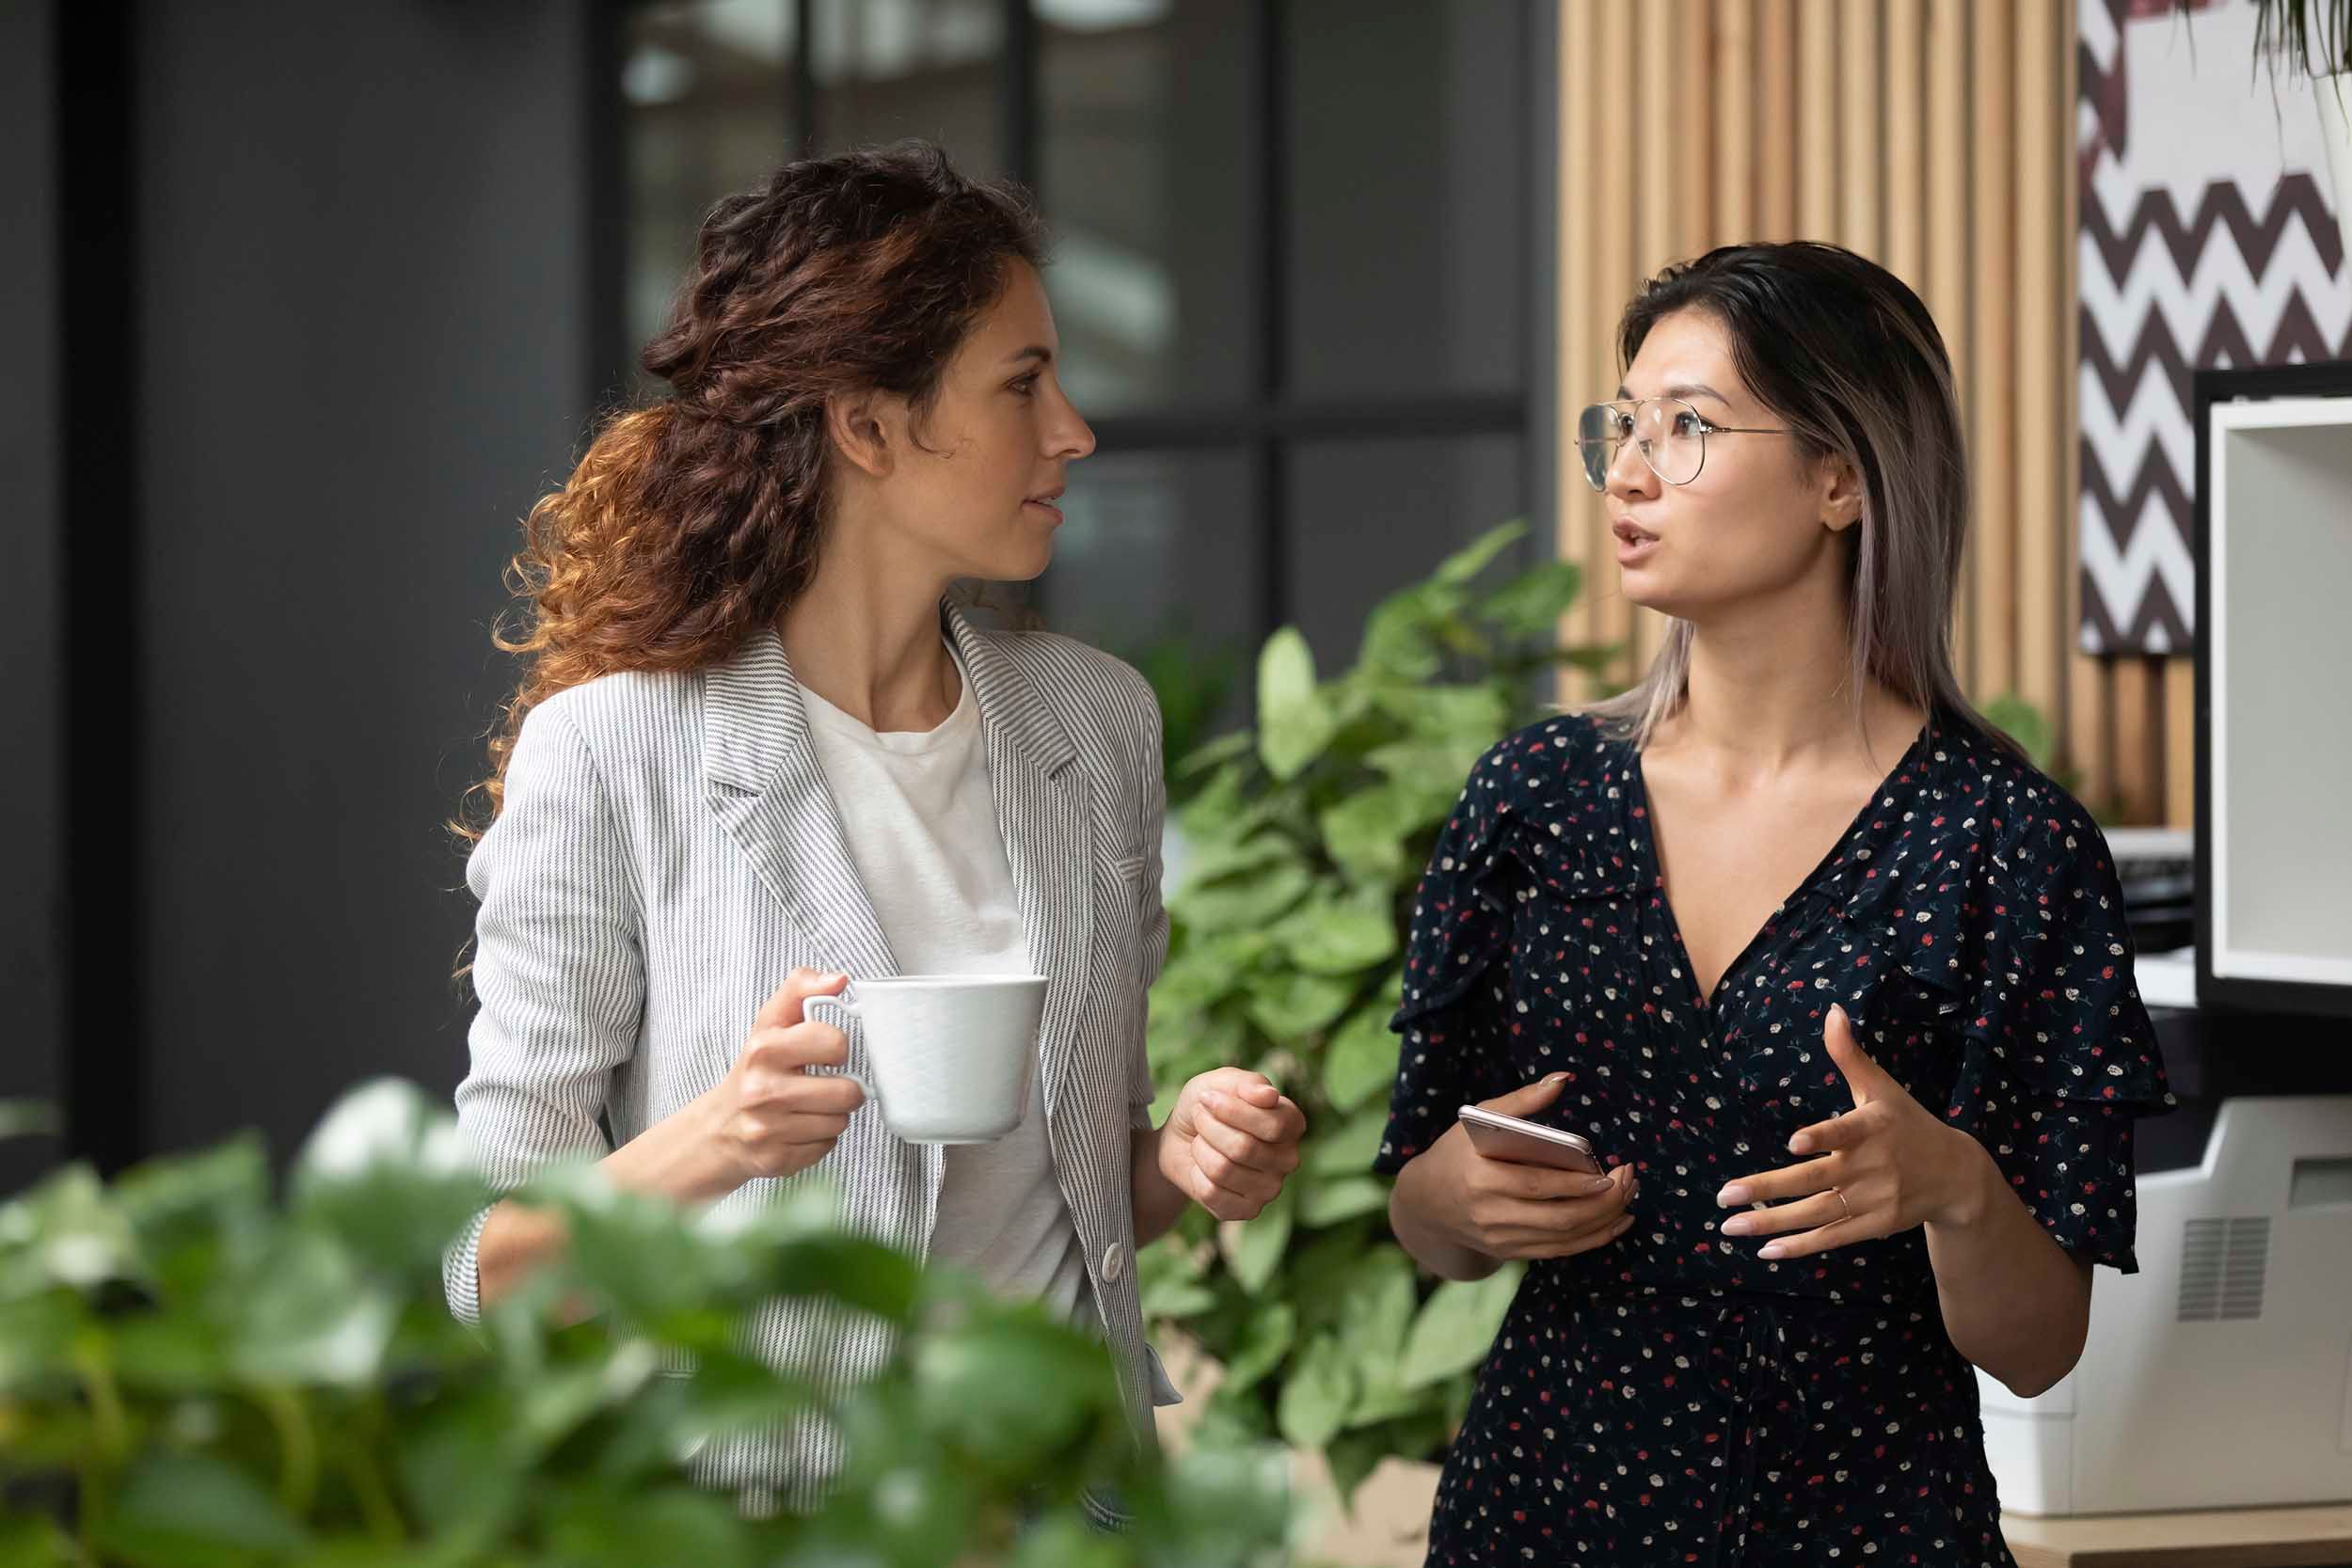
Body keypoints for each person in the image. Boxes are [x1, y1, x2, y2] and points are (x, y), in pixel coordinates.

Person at [443, 141, 1306, 1509]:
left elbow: (1079, 1197)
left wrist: (1184, 1156)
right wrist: (720, 1136)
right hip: (761, 1518)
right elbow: (481, 1266)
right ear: (866, 423)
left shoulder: (1097, 724)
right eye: (1023, 384)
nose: (1073, 428)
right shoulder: (612, 750)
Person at [1377, 241, 2172, 1565]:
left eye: (1686, 428)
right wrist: (1454, 1202)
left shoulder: (2005, 846)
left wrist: (1958, 1190)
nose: (1628, 473)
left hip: (1869, 1531)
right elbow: (1425, 1214)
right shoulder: (1532, 798)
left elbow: (2038, 1350)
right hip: (1538, 1519)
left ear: (1840, 477)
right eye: (1621, 428)